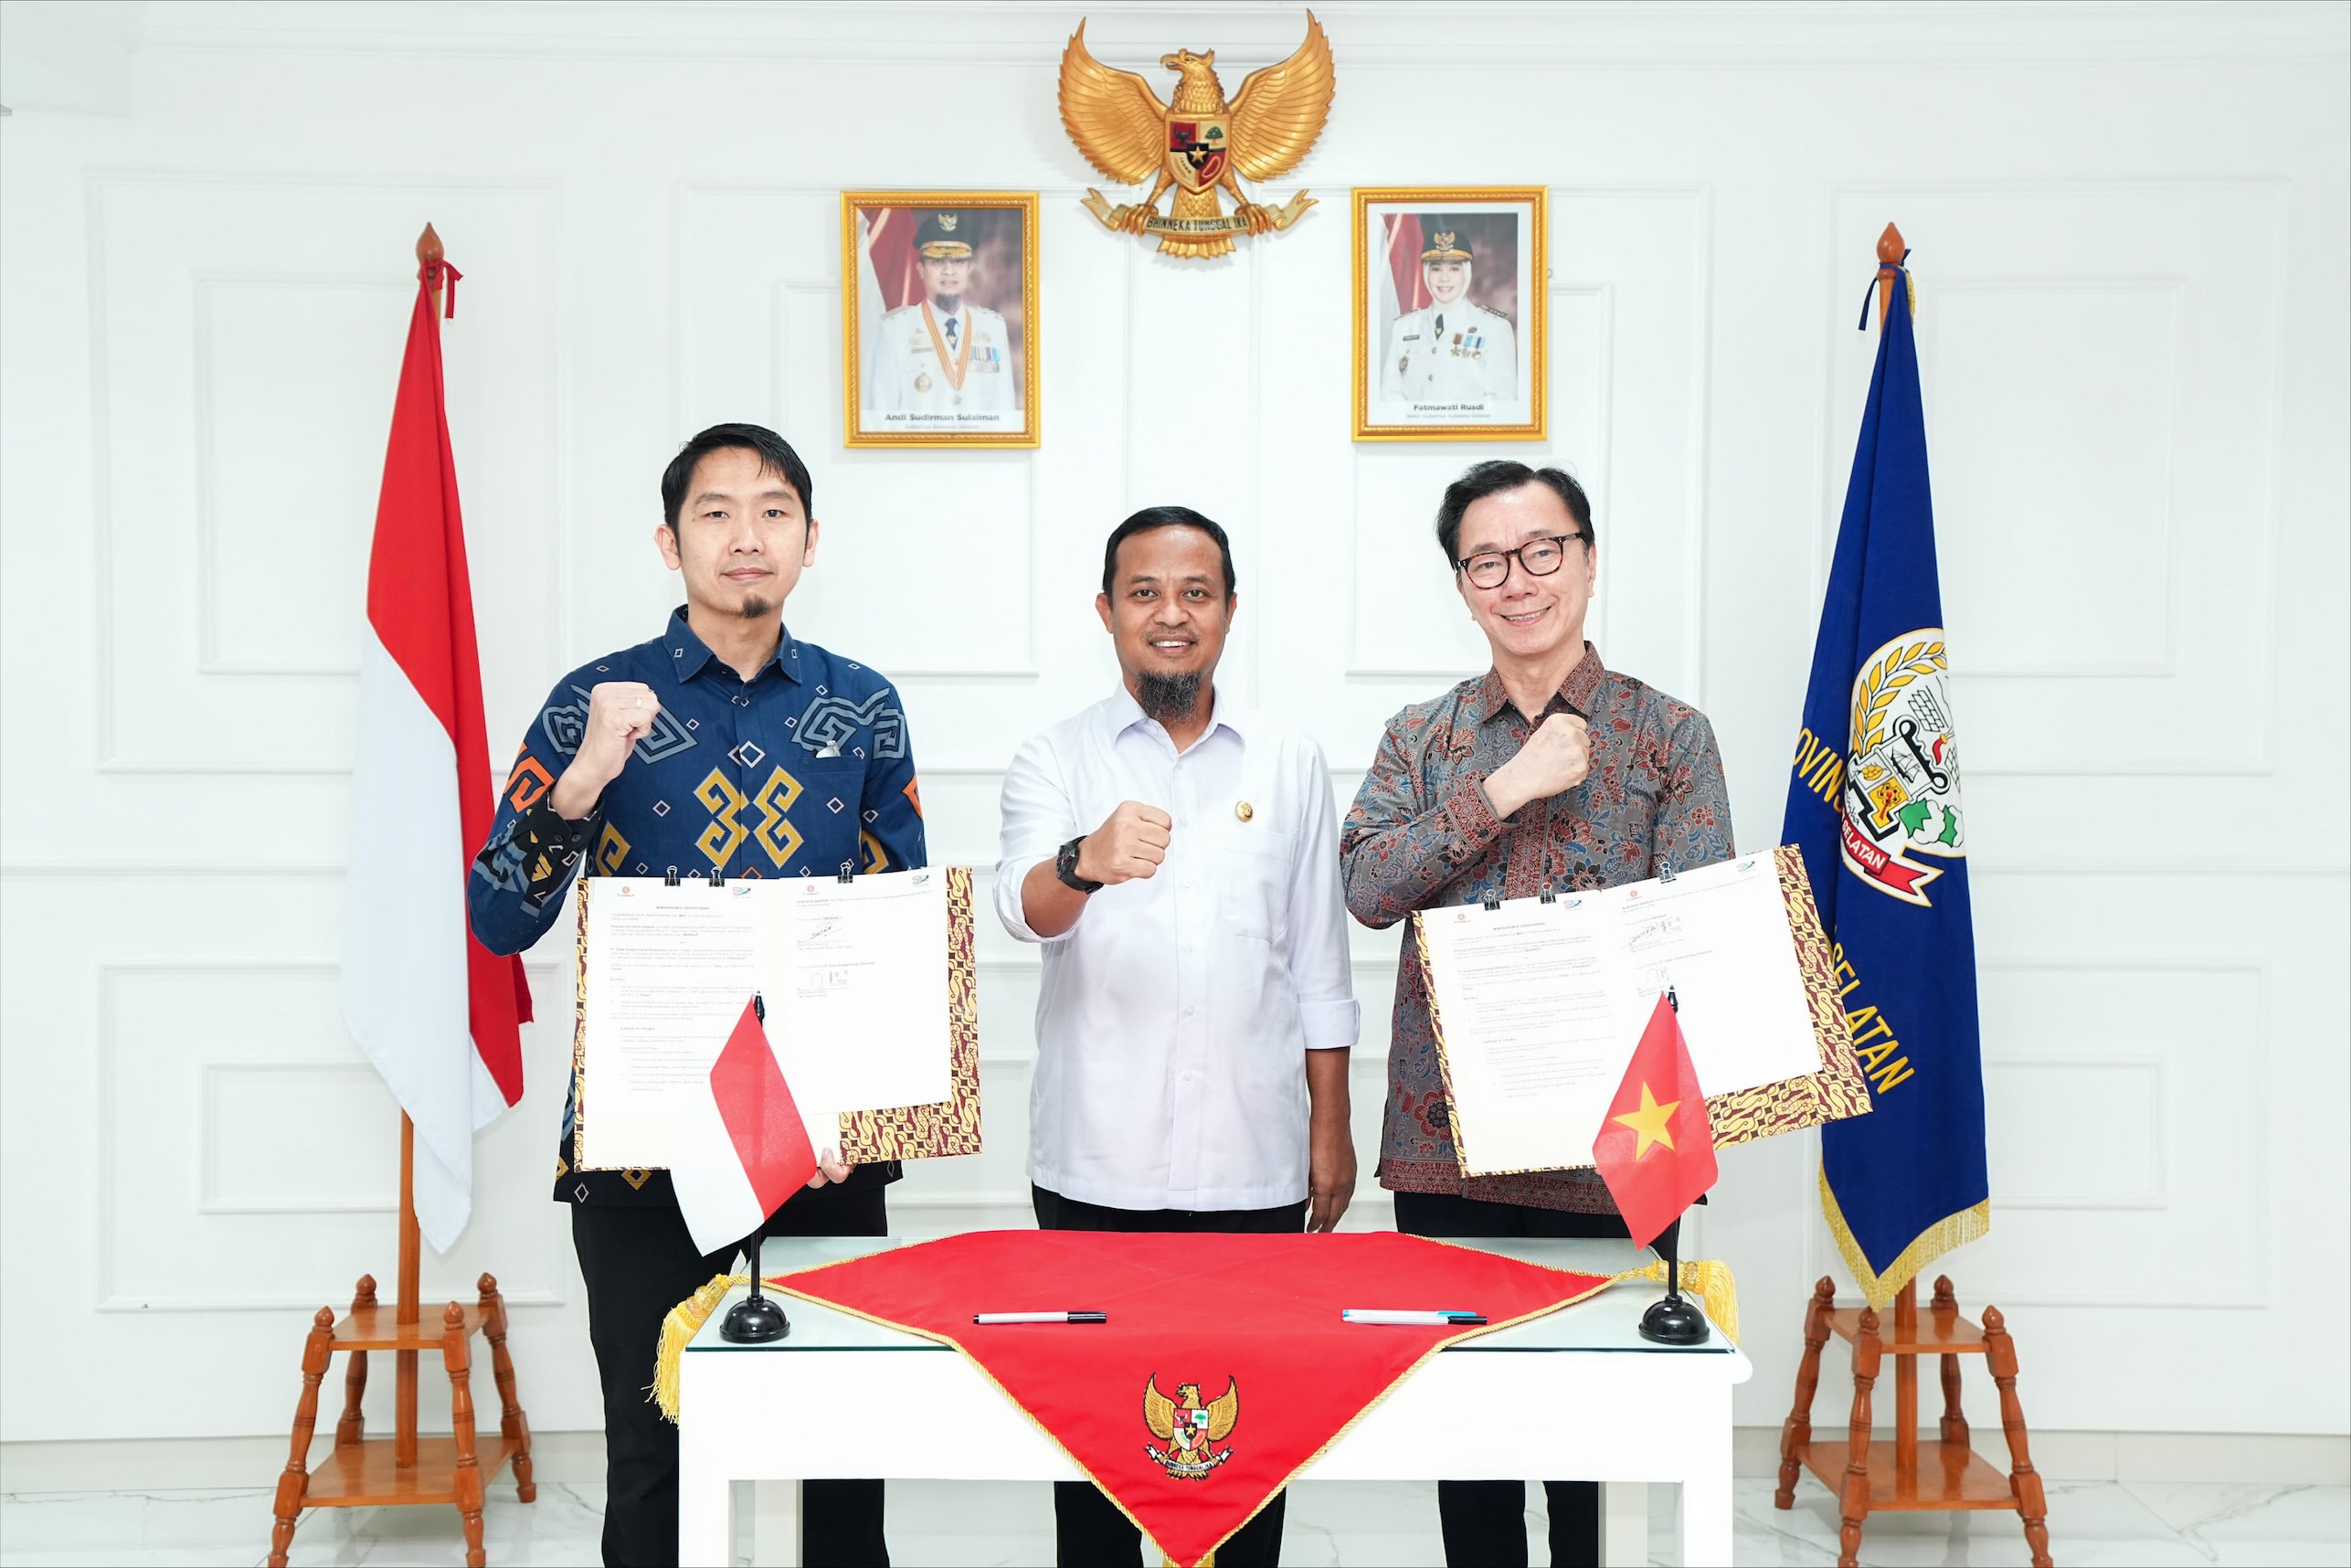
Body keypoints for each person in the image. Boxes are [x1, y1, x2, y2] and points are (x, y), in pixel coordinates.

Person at [468, 423, 921, 1568]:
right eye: (714, 513)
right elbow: (496, 914)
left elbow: (891, 924)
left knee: (840, 1465)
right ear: (669, 543)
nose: (744, 536)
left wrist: (865, 1119)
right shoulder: (594, 700)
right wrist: (577, 788)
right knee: (654, 1455)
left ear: (810, 542)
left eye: (772, 511)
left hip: (818, 1136)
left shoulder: (862, 705)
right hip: (641, 1144)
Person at [1340, 460, 1732, 1568]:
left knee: (1592, 1459)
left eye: (1541, 551)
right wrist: (1502, 789)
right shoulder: (1422, 738)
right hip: (1446, 1154)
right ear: (1462, 585)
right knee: (1467, 1448)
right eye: (1486, 562)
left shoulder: (1669, 737)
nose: (1518, 580)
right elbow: (1366, 891)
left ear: (1588, 561)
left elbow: (1694, 943)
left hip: (1611, 1150)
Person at [993, 505, 1359, 1568]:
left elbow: (1318, 967)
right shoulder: (1052, 758)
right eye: (1144, 593)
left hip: (1251, 1165)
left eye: (1195, 593)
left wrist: (1326, 1132)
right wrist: (1084, 860)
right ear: (1106, 613)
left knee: (1249, 1455)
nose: (1170, 614)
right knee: (1097, 1459)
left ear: (1230, 612)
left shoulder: (1288, 760)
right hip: (1093, 1165)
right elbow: (1022, 912)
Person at [866, 209, 1016, 414]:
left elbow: (1004, 409)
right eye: (938, 261)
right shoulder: (894, 330)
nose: (949, 270)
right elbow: (881, 414)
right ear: (921, 270)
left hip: (979, 446)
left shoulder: (993, 328)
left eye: (958, 261)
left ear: (969, 269)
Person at [1381, 218, 1519, 403]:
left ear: (1467, 273)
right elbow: (1390, 394)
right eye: (1436, 269)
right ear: (1425, 273)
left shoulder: (1494, 328)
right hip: (1414, 430)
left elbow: (1503, 399)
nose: (1444, 278)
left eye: (1454, 269)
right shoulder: (1404, 327)